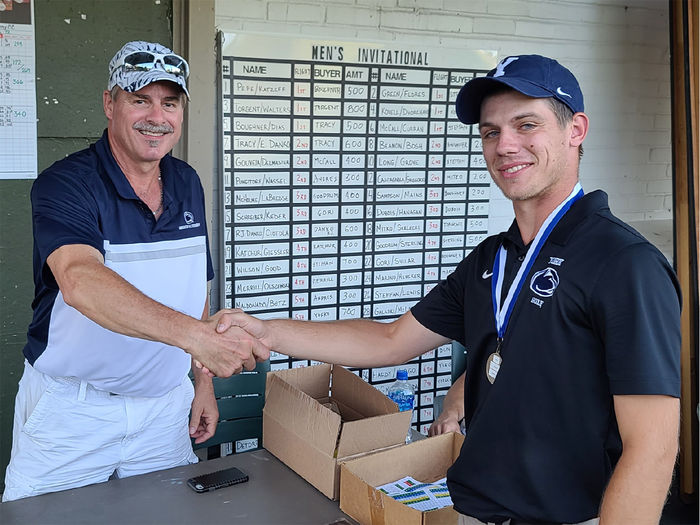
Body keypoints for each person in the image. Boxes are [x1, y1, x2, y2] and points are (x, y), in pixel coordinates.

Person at [216, 55, 681, 524]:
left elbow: (653, 449)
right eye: (491, 132)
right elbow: (390, 340)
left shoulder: (624, 263)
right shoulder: (491, 260)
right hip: (473, 509)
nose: (505, 146)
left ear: (575, 130)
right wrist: (267, 331)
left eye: (526, 125)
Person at [2, 41, 267, 502]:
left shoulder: (186, 181)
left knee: (166, 513)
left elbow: (192, 287)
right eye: (139, 99)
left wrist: (200, 379)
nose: (156, 116)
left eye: (170, 102)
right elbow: (81, 281)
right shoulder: (65, 183)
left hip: (164, 412)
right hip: (73, 412)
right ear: (110, 103)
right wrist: (198, 338)